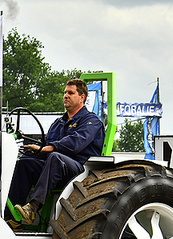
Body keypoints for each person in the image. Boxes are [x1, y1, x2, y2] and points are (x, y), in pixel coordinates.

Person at [9, 79, 105, 225]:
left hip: (80, 170)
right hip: (54, 167)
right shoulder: (58, 123)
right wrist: (34, 150)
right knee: (24, 164)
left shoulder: (92, 121)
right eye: (65, 92)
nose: (66, 96)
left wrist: (49, 149)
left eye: (71, 93)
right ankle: (11, 218)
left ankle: (32, 208)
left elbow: (76, 143)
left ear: (82, 97)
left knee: (55, 157)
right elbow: (46, 146)